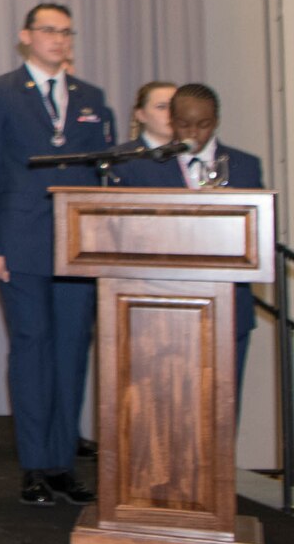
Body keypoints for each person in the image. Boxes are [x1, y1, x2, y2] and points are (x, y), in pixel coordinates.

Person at [0, 3, 113, 506]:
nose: (59, 39)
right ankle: (34, 464)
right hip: (21, 244)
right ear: (26, 36)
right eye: (49, 31)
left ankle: (62, 463)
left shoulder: (91, 98)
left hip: (77, 248)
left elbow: (104, 179)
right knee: (32, 351)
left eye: (65, 32)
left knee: (72, 353)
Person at [112, 83, 264, 377]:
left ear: (216, 121)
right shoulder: (141, 166)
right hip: (160, 311)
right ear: (171, 121)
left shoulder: (245, 166)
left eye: (203, 124)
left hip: (229, 311)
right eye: (184, 124)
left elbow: (258, 235)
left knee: (222, 412)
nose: (193, 133)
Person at [126, 81, 178, 152]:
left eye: (175, 106)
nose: (171, 113)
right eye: (161, 107)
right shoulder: (121, 158)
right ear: (141, 115)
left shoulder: (189, 157)